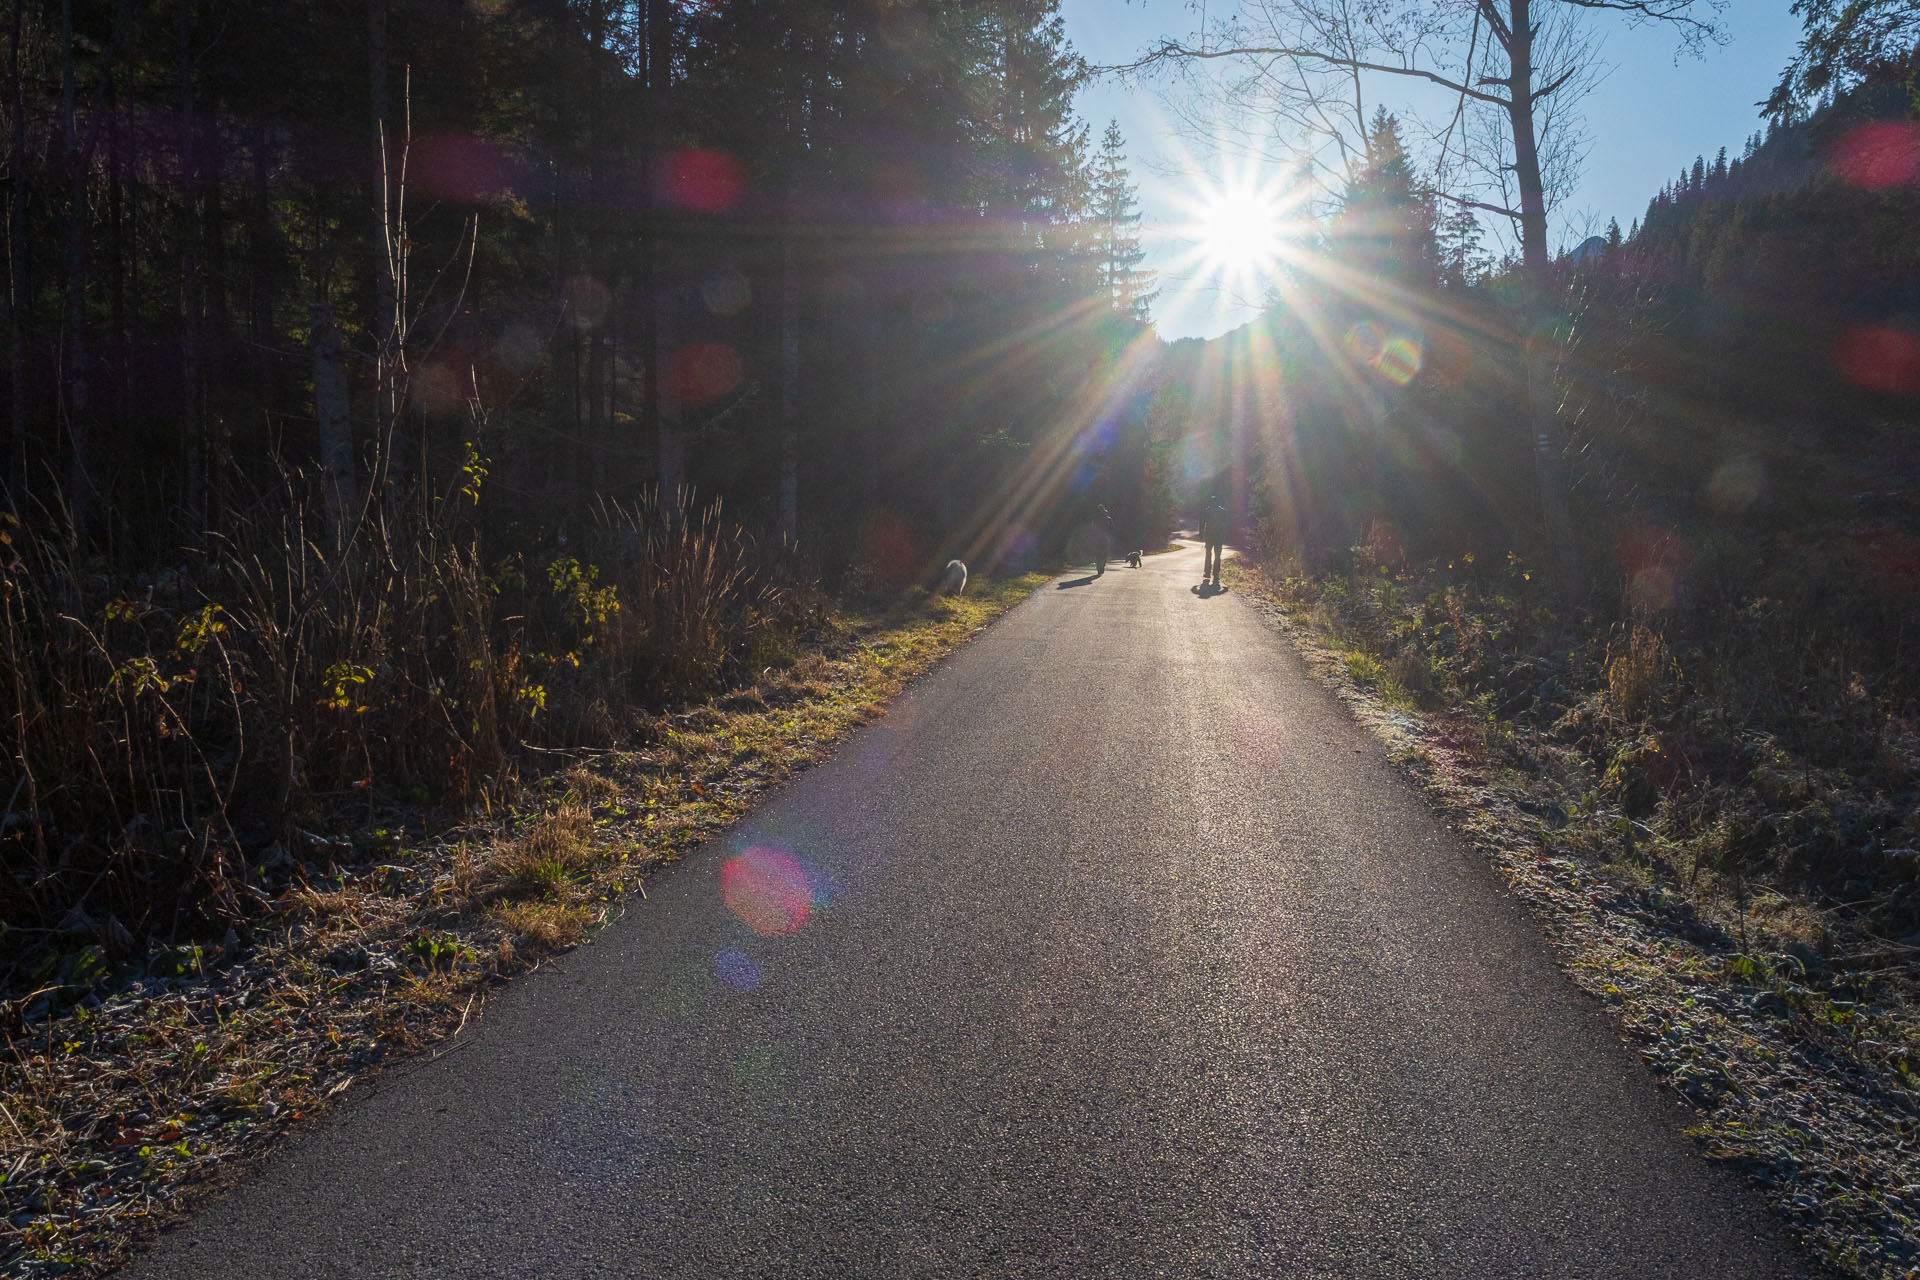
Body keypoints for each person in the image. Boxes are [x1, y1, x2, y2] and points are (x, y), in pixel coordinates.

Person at [1201, 495, 1227, 587]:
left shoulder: (1207, 511)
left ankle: (1207, 572)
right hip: (1219, 537)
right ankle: (1216, 574)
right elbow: (1226, 524)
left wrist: (1201, 534)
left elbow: (1202, 522)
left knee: (1208, 554)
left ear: (1211, 502)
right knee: (1218, 555)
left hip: (1209, 536)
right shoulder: (1223, 511)